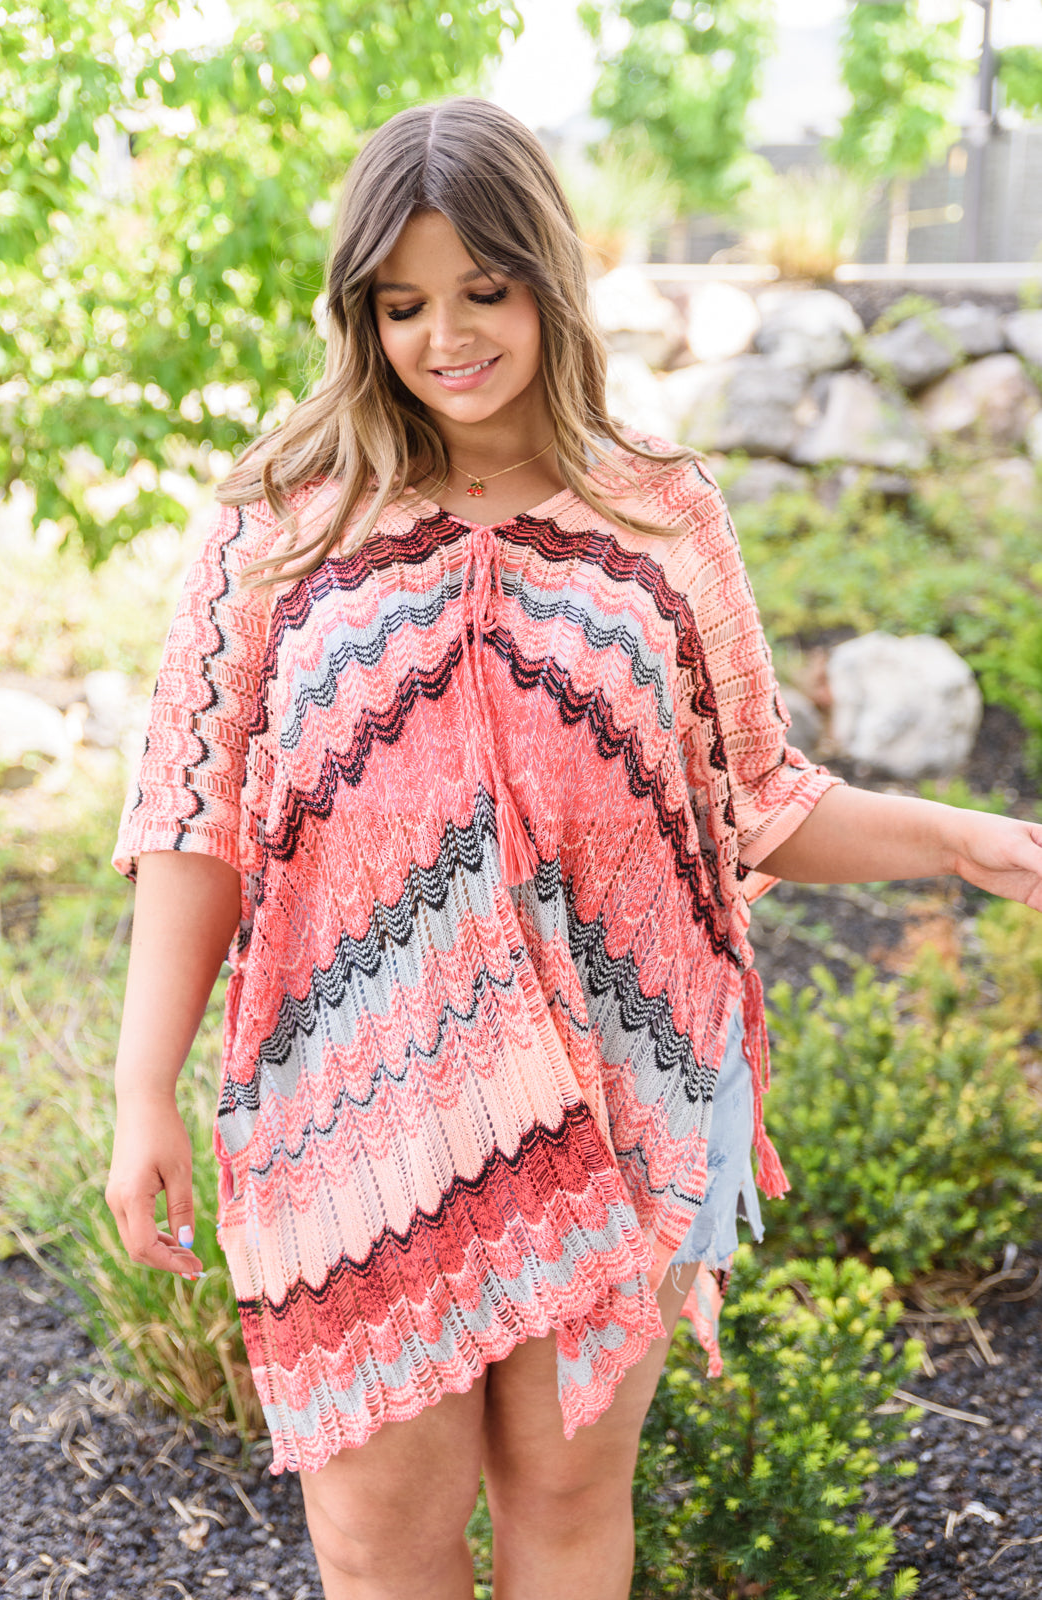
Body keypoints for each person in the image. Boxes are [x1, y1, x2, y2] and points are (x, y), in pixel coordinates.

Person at [106, 98, 1042, 1600]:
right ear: (359, 313)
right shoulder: (278, 524)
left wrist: (965, 839)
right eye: (402, 304)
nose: (446, 337)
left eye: (485, 290)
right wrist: (140, 1086)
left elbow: (754, 798)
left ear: (549, 278)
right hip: (354, 1105)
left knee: (565, 1493)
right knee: (379, 1537)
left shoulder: (660, 515)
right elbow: (193, 819)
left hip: (620, 1092)